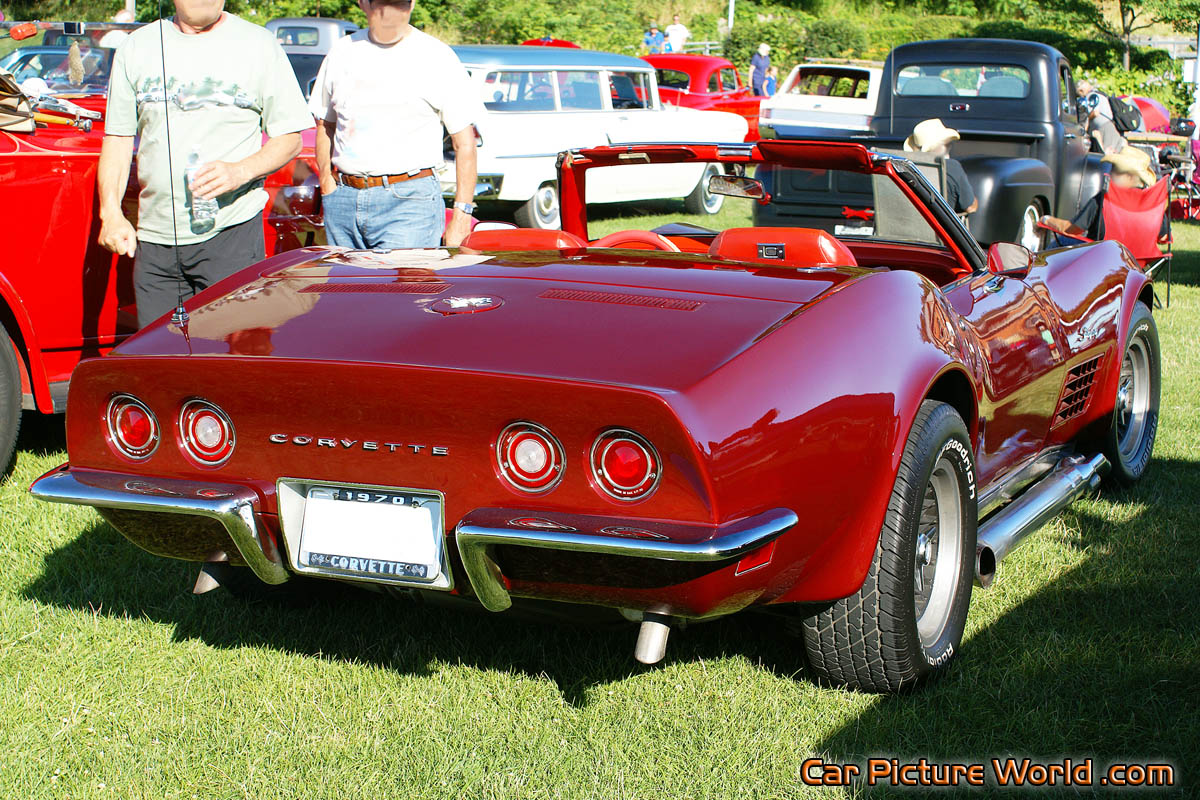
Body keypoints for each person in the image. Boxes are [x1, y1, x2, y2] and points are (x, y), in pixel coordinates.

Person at [97, 0, 312, 329]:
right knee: (161, 356)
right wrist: (110, 213)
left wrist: (240, 171)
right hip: (154, 241)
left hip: (232, 234)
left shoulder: (259, 44)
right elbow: (118, 138)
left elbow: (290, 138)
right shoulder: (137, 46)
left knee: (228, 354)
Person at [310, 0, 484, 250]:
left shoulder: (436, 56)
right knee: (345, 277)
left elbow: (465, 142)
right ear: (363, 4)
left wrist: (462, 214)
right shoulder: (341, 52)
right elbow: (325, 125)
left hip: (410, 202)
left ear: (411, 5)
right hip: (344, 200)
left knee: (403, 278)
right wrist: (328, 184)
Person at [1040, 146, 1165, 241]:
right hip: (1138, 262)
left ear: (1129, 177)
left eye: (1115, 170)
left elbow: (1071, 229)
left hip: (1103, 259)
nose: (1110, 173)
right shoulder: (1151, 202)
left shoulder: (1105, 199)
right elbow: (1163, 237)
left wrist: (1046, 219)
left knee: (1061, 242)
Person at [903, 118, 978, 215]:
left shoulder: (905, 166)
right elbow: (970, 207)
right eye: (949, 143)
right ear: (945, 145)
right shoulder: (952, 167)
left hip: (907, 221)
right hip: (938, 223)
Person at [1076, 78, 1124, 154]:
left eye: (1079, 94)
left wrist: (1087, 119)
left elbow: (1095, 113)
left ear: (1081, 90)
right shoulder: (1100, 94)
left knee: (1106, 154)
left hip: (1103, 127)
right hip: (1108, 124)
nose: (1081, 96)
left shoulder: (1091, 96)